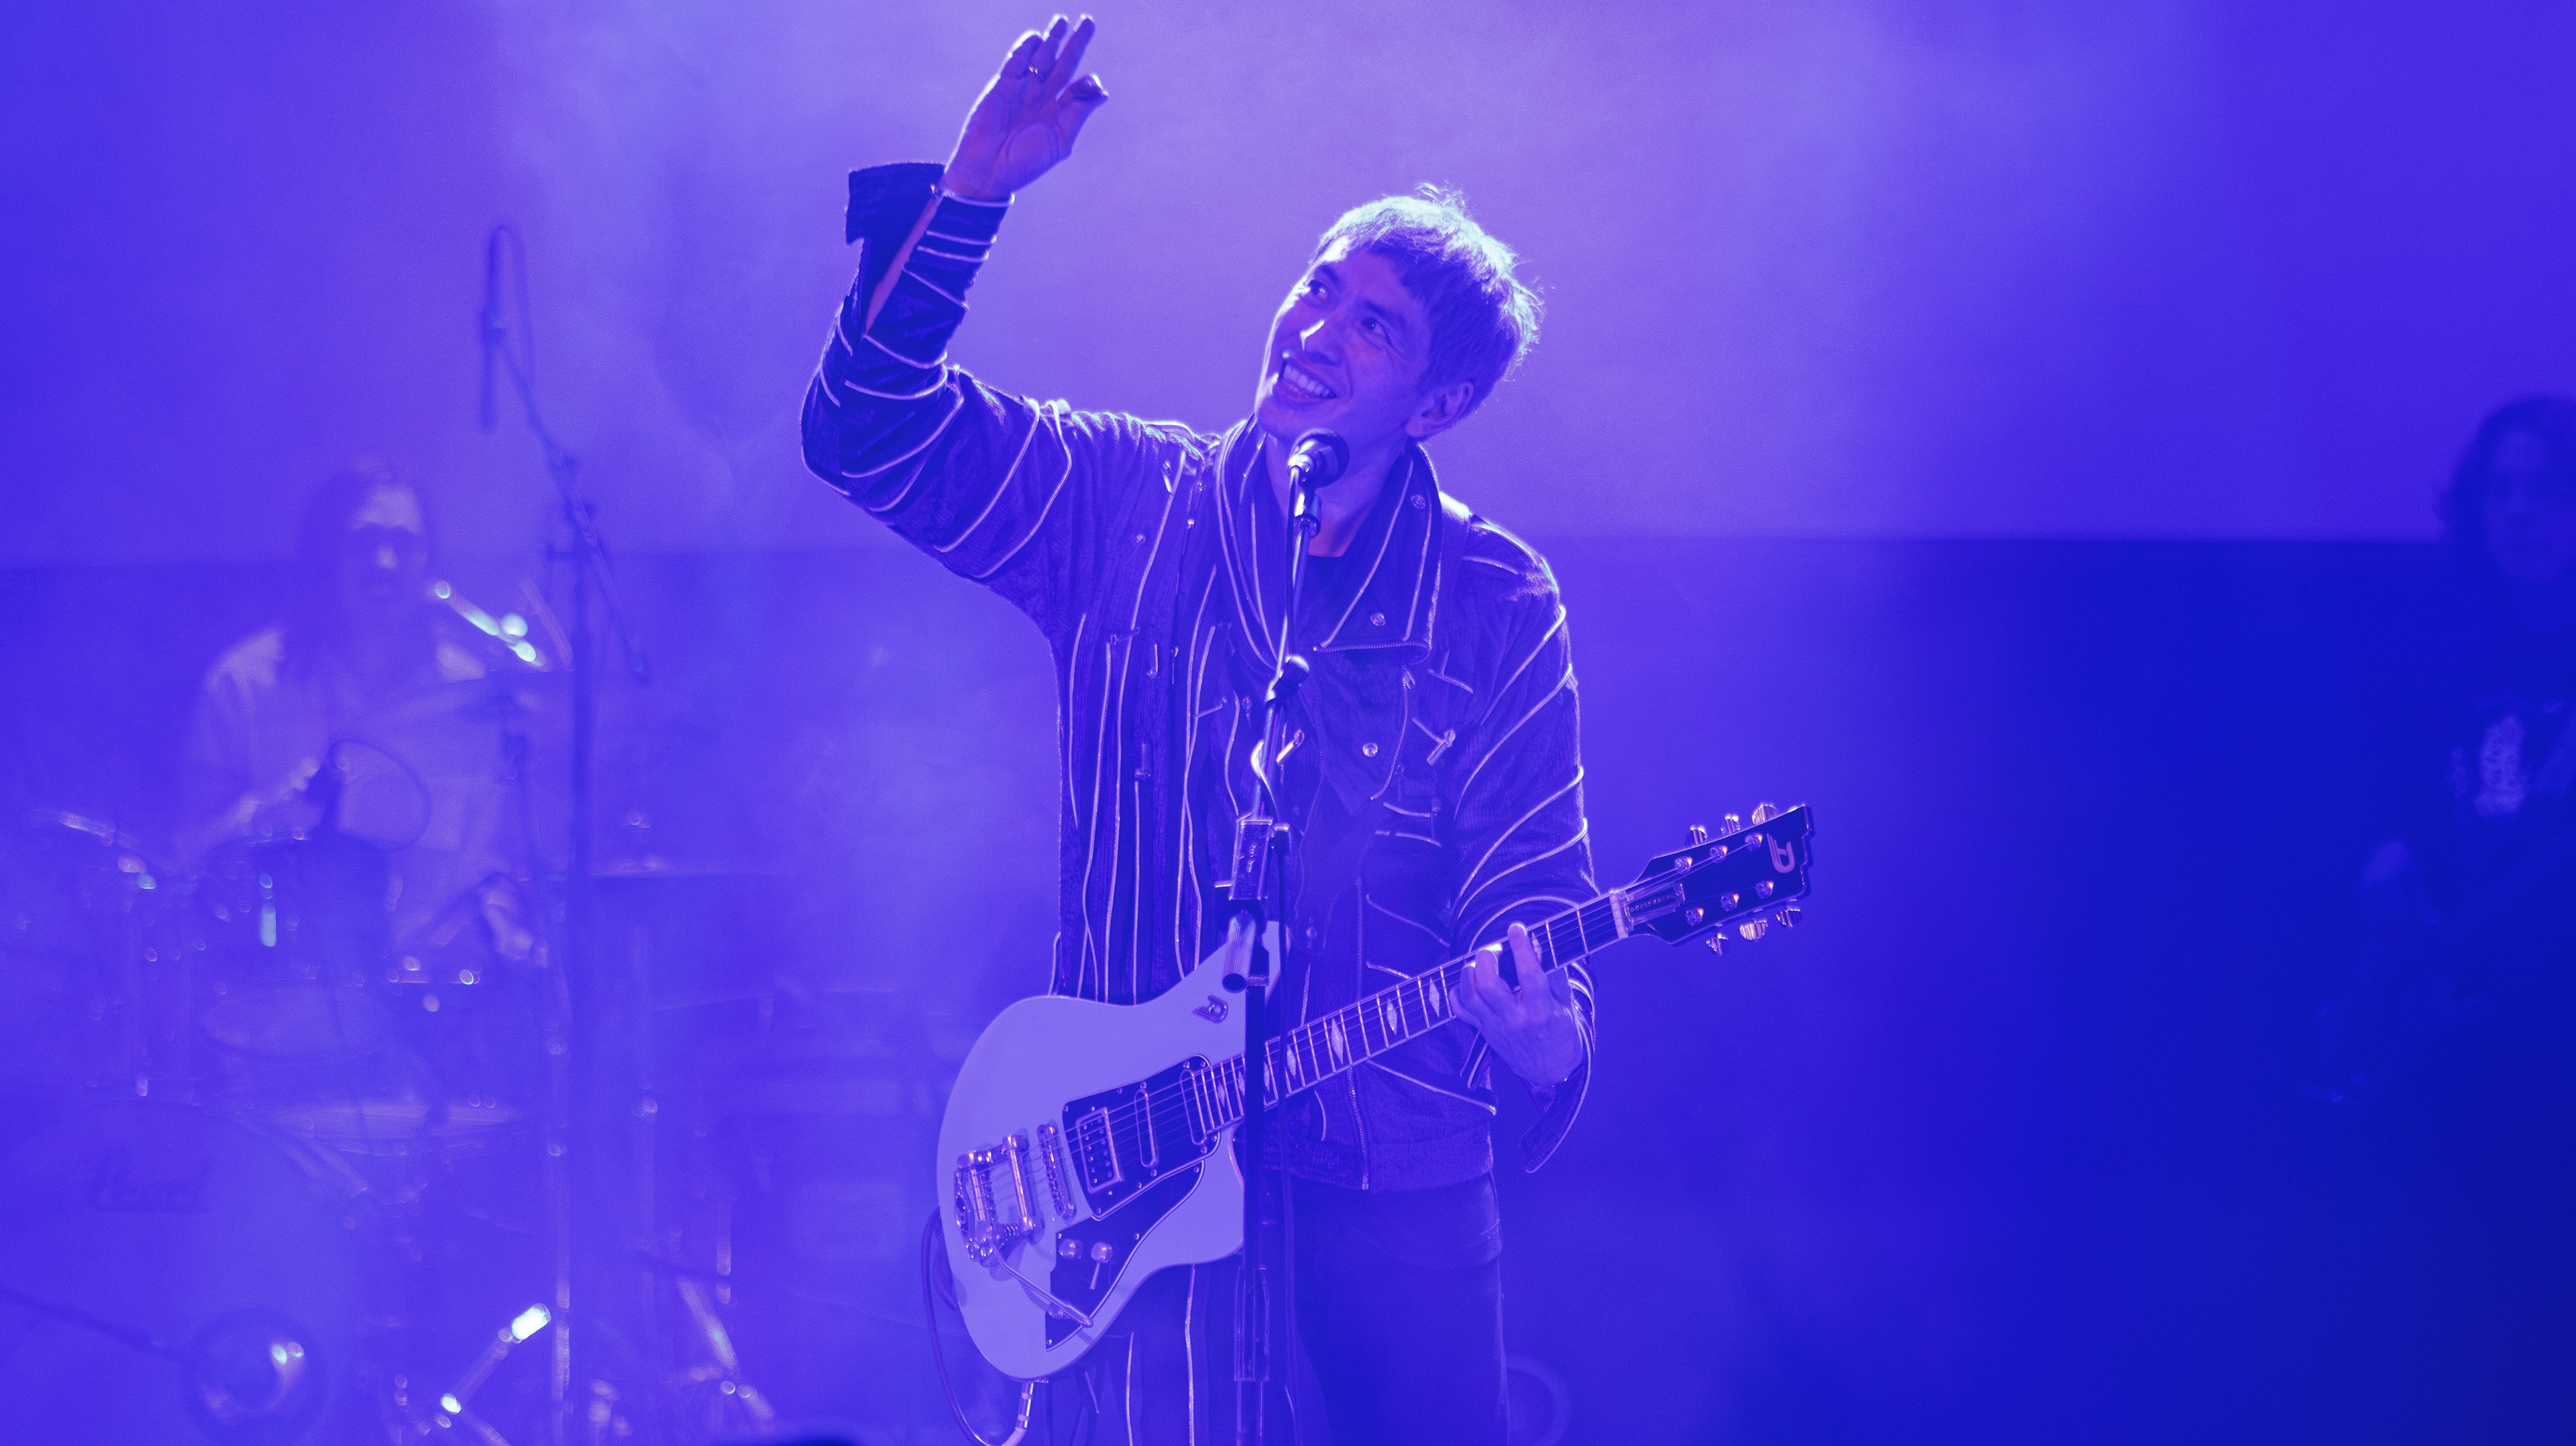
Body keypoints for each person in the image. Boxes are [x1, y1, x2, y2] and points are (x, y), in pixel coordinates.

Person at [802, 17, 1595, 1443]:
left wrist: (1544, 1032)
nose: (1318, 328)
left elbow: (1532, 884)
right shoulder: (1126, 503)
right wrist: (968, 198)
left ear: (1440, 402)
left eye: (1375, 326)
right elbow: (868, 434)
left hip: (1394, 1180)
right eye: (1318, 287)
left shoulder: (1492, 597)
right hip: (1134, 1170)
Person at [2313, 396, 2576, 1434]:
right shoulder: (2447, 666)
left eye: (2545, 489)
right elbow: (2402, 811)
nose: (2520, 512)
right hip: (2462, 1038)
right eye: (2500, 491)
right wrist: (2386, 865)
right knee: (2468, 1317)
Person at [180, 462, 543, 1039]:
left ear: (428, 561)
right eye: (364, 542)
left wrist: (510, 940)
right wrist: (269, 813)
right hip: (279, 1009)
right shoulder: (244, 685)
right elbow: (187, 853)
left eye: (404, 544)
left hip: (434, 1015)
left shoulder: (471, 695)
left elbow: (493, 868)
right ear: (326, 555)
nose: (385, 563)